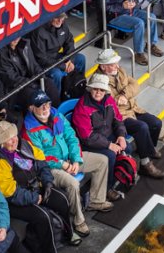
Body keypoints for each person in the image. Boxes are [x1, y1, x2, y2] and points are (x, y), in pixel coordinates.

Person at [22, 89, 114, 237]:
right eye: (41, 106)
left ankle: (96, 201)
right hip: (50, 168)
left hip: (69, 158)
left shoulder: (57, 115)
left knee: (102, 161)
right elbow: (40, 157)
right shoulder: (29, 130)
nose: (46, 108)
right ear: (31, 108)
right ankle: (78, 220)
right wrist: (62, 164)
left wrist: (76, 159)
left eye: (47, 104)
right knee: (73, 184)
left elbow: (71, 137)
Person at [0, 120, 81, 251]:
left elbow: (41, 161)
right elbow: (9, 191)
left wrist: (47, 182)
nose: (14, 140)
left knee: (62, 199)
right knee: (43, 217)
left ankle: (68, 233)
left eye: (14, 136)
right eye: (9, 139)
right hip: (14, 200)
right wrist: (33, 197)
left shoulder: (23, 144)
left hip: (35, 187)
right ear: (1, 143)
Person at [95, 49, 164, 180]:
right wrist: (121, 97)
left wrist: (124, 95)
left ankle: (148, 149)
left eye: (117, 63)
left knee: (156, 123)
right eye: (113, 64)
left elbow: (135, 84)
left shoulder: (120, 71)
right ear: (103, 67)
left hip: (132, 108)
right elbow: (110, 104)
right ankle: (145, 164)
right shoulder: (99, 82)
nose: (117, 66)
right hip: (119, 117)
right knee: (142, 127)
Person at [71, 73, 132, 199]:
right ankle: (107, 188)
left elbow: (118, 119)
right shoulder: (82, 108)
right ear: (90, 89)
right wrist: (109, 145)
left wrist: (121, 135)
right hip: (89, 144)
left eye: (102, 90)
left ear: (106, 91)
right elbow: (87, 137)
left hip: (107, 136)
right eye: (95, 89)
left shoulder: (109, 100)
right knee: (110, 155)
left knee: (127, 146)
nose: (98, 92)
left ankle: (118, 177)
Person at [0, 37, 61, 110]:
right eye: (12, 36)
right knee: (35, 96)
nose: (16, 39)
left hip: (30, 80)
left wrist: (40, 75)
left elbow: (34, 65)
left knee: (49, 83)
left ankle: (56, 111)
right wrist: (33, 84)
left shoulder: (24, 43)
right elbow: (11, 78)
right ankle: (41, 115)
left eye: (18, 35)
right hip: (16, 88)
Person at [29, 14, 87, 99]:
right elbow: (41, 58)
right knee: (57, 74)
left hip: (57, 57)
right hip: (42, 64)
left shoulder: (63, 25)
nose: (60, 21)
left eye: (62, 18)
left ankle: (79, 87)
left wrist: (69, 60)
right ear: (49, 17)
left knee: (80, 58)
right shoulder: (39, 31)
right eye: (57, 18)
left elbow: (69, 42)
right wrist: (63, 66)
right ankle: (57, 100)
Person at [105, 0, 162, 66]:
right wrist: (122, 6)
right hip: (116, 16)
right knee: (139, 23)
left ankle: (151, 44)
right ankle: (138, 53)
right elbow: (104, 7)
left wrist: (133, 2)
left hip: (131, 10)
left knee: (151, 17)